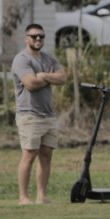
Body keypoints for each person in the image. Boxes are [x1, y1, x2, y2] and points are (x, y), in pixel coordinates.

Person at [12, 23, 67, 204]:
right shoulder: (21, 60)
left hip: (48, 115)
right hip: (29, 114)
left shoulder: (48, 59)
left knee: (46, 154)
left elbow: (63, 77)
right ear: (26, 38)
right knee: (29, 154)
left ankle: (41, 196)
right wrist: (45, 78)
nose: (38, 39)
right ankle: (23, 197)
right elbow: (31, 84)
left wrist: (42, 75)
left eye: (41, 36)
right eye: (34, 36)